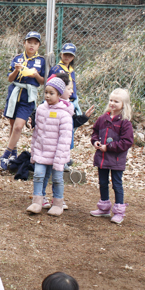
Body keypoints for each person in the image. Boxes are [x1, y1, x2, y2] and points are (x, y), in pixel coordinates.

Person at [36, 73, 94, 210]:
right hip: (45, 149)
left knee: (57, 175)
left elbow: (73, 122)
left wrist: (84, 117)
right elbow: (36, 117)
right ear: (60, 92)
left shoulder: (67, 109)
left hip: (59, 149)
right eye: (69, 89)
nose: (72, 92)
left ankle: (57, 200)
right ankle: (40, 197)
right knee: (43, 174)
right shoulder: (43, 107)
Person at [26, 77, 73, 216]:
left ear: (59, 94)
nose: (47, 95)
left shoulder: (65, 115)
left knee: (57, 179)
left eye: (51, 93)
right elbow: (37, 133)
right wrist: (34, 151)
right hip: (41, 152)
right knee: (38, 176)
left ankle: (58, 203)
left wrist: (59, 159)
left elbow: (65, 139)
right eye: (46, 92)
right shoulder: (40, 109)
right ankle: (37, 202)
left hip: (57, 155)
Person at [0, 31, 46, 170]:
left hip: (28, 96)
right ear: (24, 43)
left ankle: (5, 154)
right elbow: (10, 78)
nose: (32, 45)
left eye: (35, 43)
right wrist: (16, 70)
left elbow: (43, 81)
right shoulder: (17, 58)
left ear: (38, 45)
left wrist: (35, 74)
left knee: (19, 126)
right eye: (29, 42)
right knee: (13, 125)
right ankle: (14, 153)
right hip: (15, 93)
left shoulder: (41, 61)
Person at [90, 88, 134, 224]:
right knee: (102, 183)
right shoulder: (102, 119)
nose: (112, 103)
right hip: (102, 159)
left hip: (116, 160)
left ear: (123, 104)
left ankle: (119, 211)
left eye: (116, 101)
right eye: (111, 100)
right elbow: (95, 132)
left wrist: (108, 147)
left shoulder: (125, 122)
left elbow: (126, 142)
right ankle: (104, 208)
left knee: (116, 184)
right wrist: (95, 141)